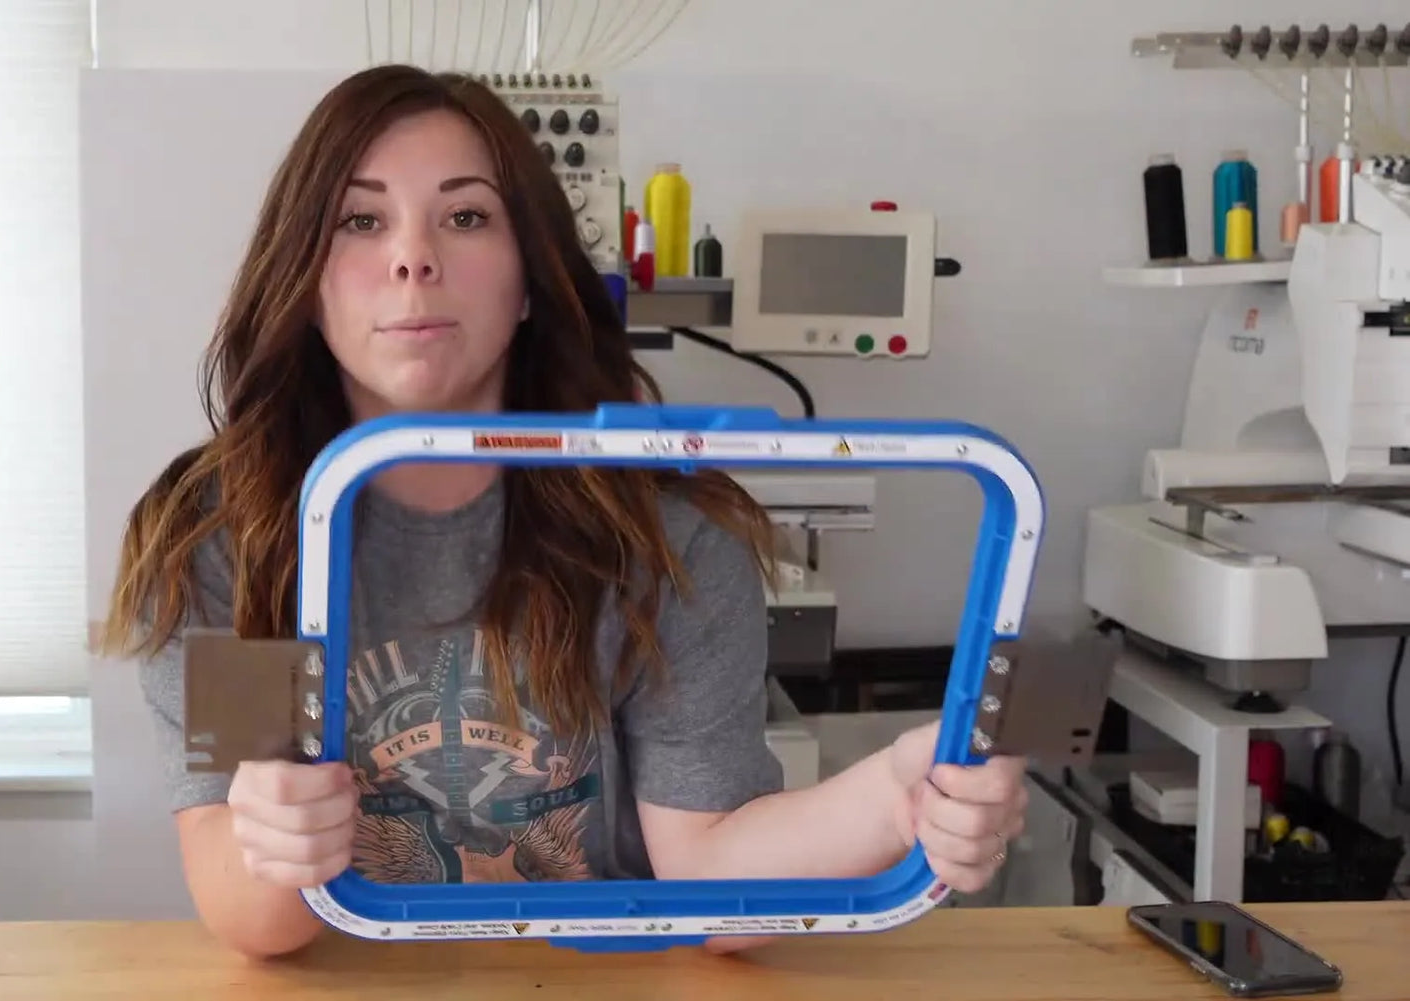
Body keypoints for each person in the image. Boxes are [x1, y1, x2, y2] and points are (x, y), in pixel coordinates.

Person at [99, 64, 1028, 960]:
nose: (413, 257)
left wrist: (896, 798)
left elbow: (711, 876)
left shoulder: (666, 541)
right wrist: (277, 837)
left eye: (465, 216)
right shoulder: (233, 538)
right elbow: (246, 912)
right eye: (360, 219)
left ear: (530, 278)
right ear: (302, 277)